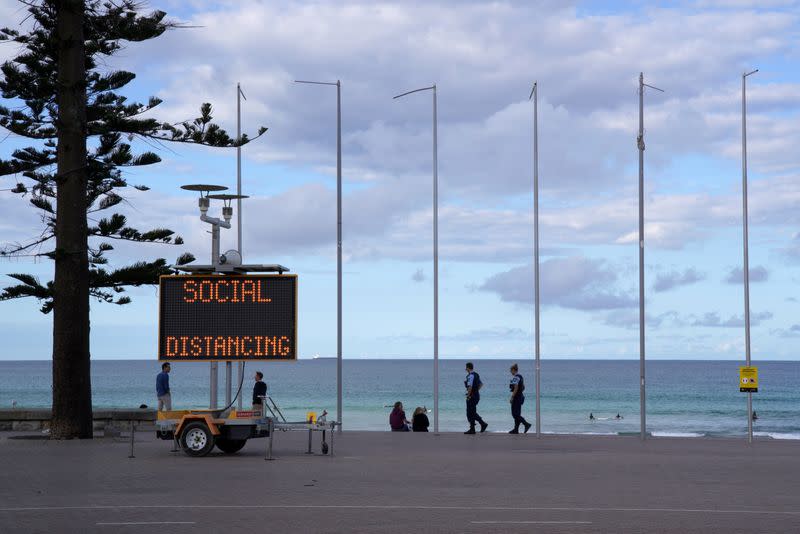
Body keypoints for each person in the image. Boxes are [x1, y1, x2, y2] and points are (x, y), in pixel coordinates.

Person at [464, 362, 488, 434]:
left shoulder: (471, 376)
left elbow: (470, 386)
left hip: (471, 396)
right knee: (471, 412)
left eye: (466, 368)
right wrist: (476, 391)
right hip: (476, 395)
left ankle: (481, 424)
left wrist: (468, 395)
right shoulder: (476, 375)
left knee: (470, 412)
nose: (465, 369)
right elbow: (481, 384)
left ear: (468, 368)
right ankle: (473, 428)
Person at [508, 363, 531, 434]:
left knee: (515, 414)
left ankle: (526, 424)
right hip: (520, 397)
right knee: (517, 413)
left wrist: (512, 397)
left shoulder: (516, 377)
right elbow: (523, 387)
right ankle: (516, 429)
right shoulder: (520, 377)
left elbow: (516, 387)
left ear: (513, 370)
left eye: (511, 371)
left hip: (516, 398)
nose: (510, 372)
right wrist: (520, 392)